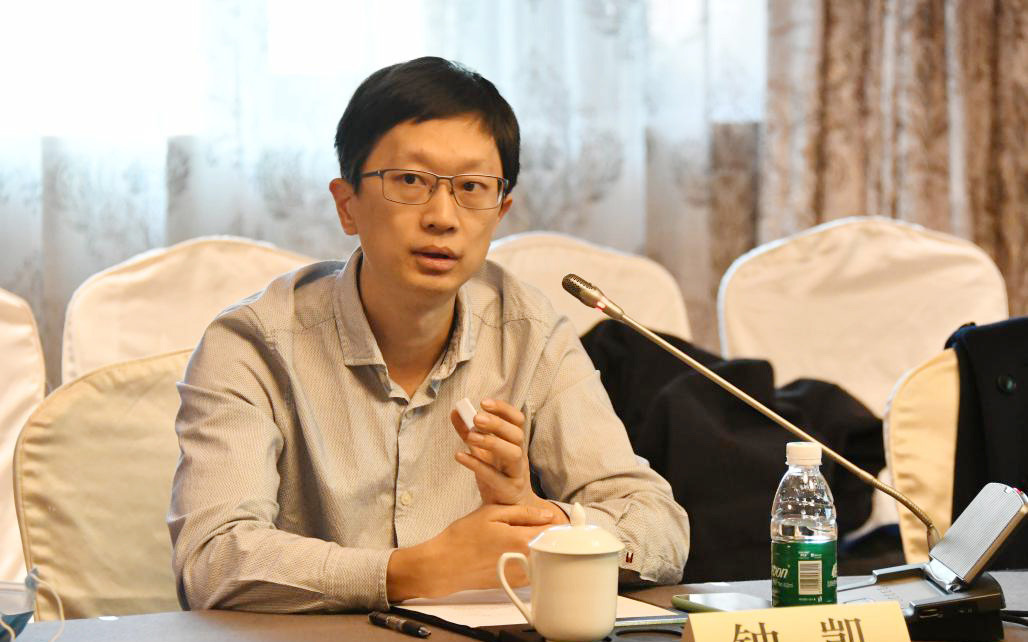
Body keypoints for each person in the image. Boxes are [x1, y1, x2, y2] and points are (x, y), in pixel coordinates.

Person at [168, 56, 689, 612]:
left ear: (500, 212)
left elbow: (658, 526)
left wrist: (543, 522)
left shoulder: (530, 334)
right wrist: (415, 571)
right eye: (411, 181)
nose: (443, 216)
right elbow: (211, 559)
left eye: (472, 187)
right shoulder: (252, 345)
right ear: (347, 205)